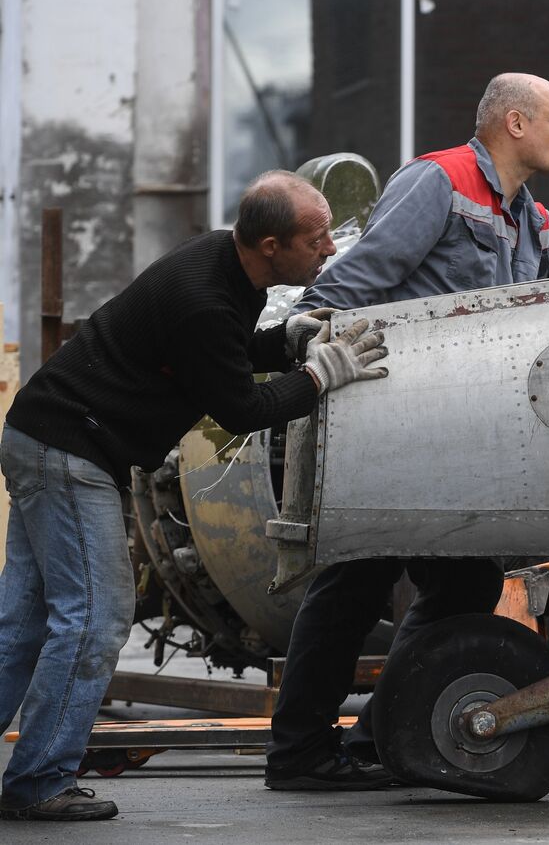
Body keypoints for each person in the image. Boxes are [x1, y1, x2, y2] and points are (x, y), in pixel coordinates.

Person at [265, 72, 549, 790]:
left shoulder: (524, 213)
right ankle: (302, 753)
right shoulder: (437, 182)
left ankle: (381, 734)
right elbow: (360, 277)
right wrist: (308, 333)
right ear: (514, 124)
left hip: (449, 438)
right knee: (356, 585)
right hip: (392, 421)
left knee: (461, 582)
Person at [0, 172, 389, 822]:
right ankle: (39, 779)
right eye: (316, 238)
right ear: (271, 244)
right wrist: (320, 375)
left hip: (42, 434)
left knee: (26, 624)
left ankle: (35, 771)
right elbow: (238, 405)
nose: (328, 249)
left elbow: (220, 354)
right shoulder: (204, 298)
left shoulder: (223, 262)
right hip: (70, 451)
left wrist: (288, 339)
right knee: (96, 617)